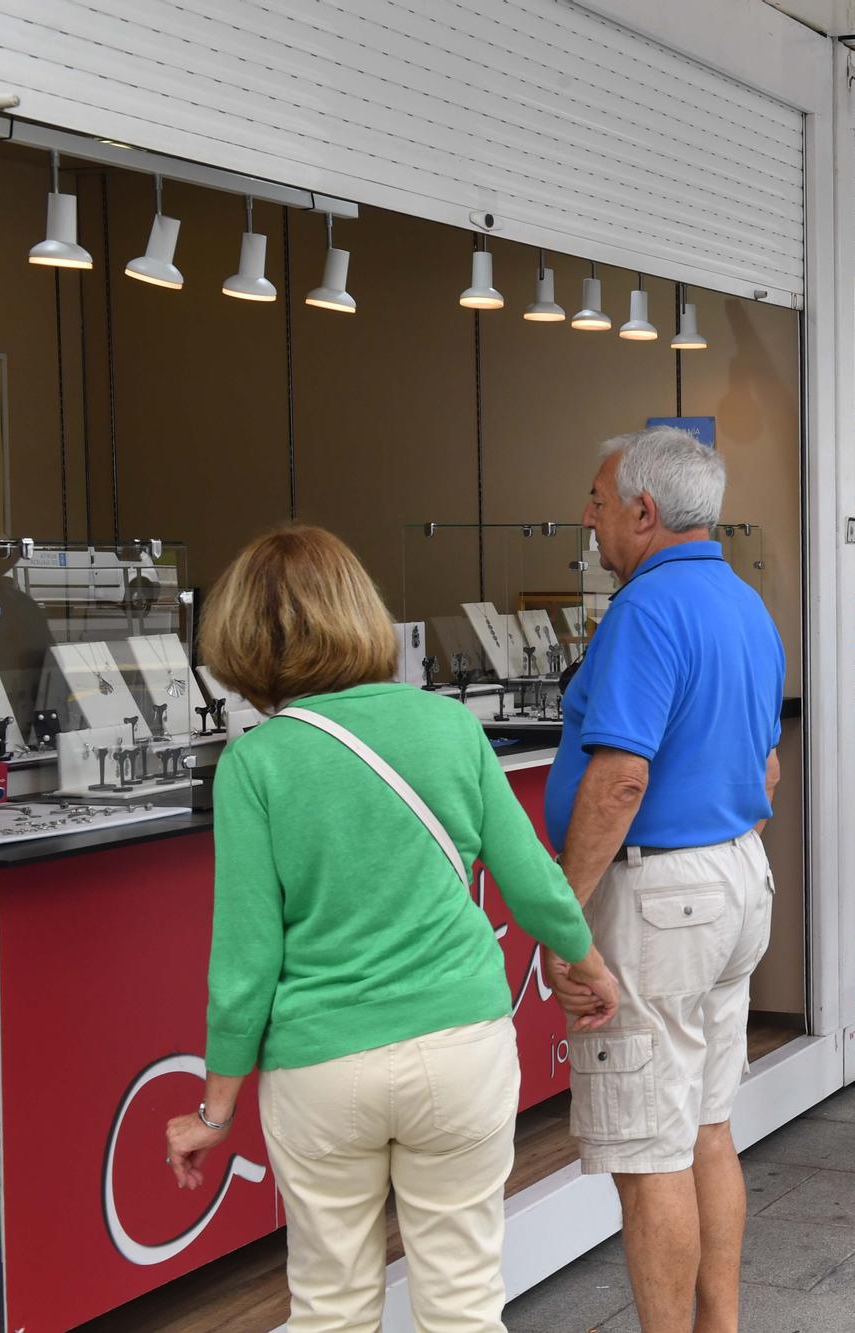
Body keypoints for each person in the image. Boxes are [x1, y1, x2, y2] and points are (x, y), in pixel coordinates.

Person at [166, 526, 617, 1333]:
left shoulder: (255, 764)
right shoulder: (448, 727)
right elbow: (533, 883)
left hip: (323, 1064)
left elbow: (245, 960)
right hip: (461, 1045)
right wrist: (586, 961)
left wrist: (214, 1111)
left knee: (331, 1305)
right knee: (465, 1302)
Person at [547, 426, 786, 1332]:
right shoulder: (745, 605)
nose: (589, 518)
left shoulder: (645, 612)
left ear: (644, 512)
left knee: (652, 1154)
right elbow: (768, 773)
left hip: (662, 898)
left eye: (600, 502)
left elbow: (620, 779)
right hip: (732, 878)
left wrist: (562, 913)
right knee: (708, 1130)